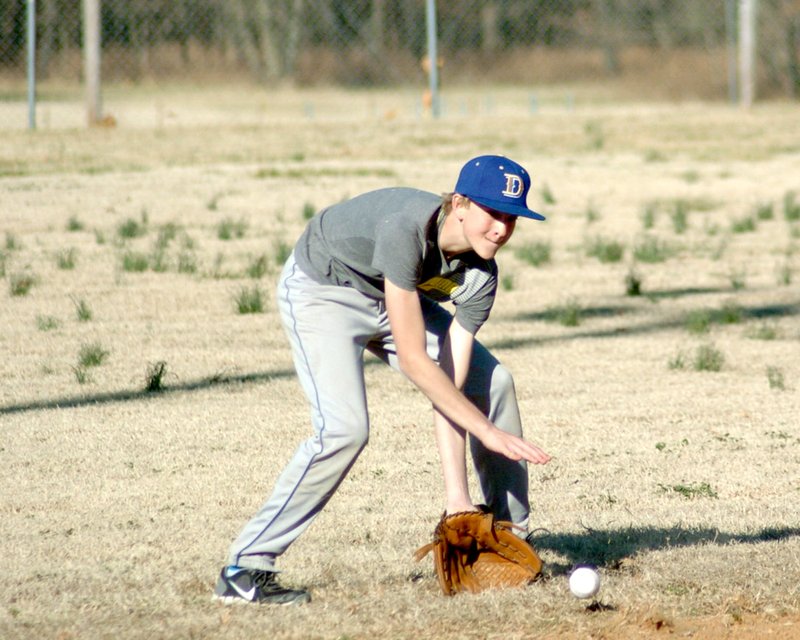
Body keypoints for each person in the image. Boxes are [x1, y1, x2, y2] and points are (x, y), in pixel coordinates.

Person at [213, 154, 552, 605]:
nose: (502, 229)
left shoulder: (479, 276)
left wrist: (458, 499)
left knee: (493, 383)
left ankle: (511, 538)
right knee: (344, 430)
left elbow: (449, 381)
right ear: (461, 204)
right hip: (325, 288)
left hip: (396, 294)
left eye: (512, 219)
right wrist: (485, 431)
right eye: (494, 213)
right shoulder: (405, 228)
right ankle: (245, 569)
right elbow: (415, 361)